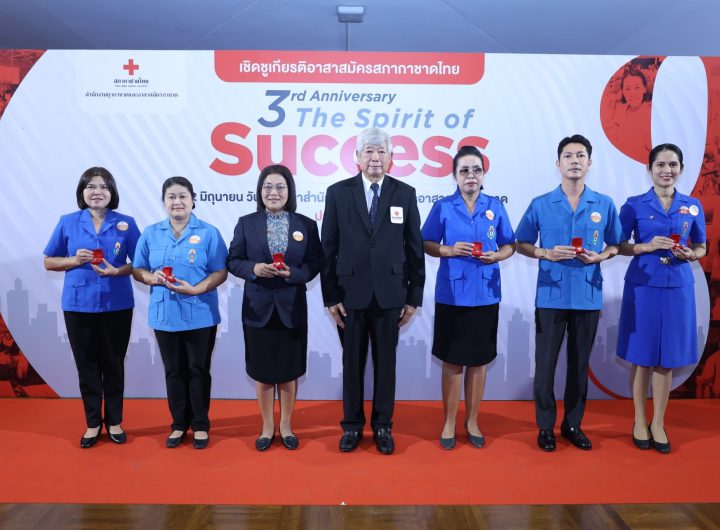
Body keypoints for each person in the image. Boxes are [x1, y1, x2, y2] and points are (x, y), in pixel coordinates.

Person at [321, 127, 425, 455]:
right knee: (352, 364)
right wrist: (331, 297)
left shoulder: (405, 194)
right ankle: (352, 426)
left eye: (381, 151)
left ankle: (382, 426)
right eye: (369, 150)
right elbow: (328, 248)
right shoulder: (337, 193)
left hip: (391, 294)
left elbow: (414, 248)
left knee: (386, 365)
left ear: (391, 158)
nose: (375, 157)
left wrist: (413, 298)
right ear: (357, 157)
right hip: (349, 295)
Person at [516, 135, 622, 452]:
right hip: (551, 296)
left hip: (587, 296)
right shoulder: (541, 203)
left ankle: (573, 425)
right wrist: (545, 253)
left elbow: (616, 244)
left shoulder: (603, 204)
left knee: (578, 367)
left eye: (580, 155)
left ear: (589, 163)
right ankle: (545, 426)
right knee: (545, 366)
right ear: (558, 163)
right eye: (568, 155)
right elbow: (521, 243)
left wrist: (601, 256)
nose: (574, 160)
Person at [421, 145, 515, 450]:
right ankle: (449, 421)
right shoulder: (443, 207)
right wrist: (448, 250)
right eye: (464, 170)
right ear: (455, 175)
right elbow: (425, 242)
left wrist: (497, 255)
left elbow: (510, 244)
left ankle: (472, 421)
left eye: (476, 170)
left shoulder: (495, 206)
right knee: (452, 361)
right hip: (452, 295)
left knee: (479, 362)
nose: (470, 175)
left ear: (484, 174)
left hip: (486, 294)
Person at [616, 143, 707, 453]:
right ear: (650, 169)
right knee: (641, 358)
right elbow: (618, 245)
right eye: (660, 165)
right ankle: (639, 420)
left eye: (673, 165)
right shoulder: (634, 205)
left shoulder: (692, 205)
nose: (667, 170)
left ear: (681, 169)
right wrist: (646, 246)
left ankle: (658, 422)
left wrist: (692, 254)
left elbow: (701, 246)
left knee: (666, 360)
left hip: (678, 288)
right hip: (643, 287)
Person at [226, 164, 322, 451]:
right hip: (258, 308)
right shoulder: (246, 223)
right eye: (267, 187)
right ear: (260, 191)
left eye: (280, 187)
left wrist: (294, 274)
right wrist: (254, 269)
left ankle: (286, 426)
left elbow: (315, 263)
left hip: (292, 309)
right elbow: (233, 261)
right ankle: (268, 426)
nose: (273, 192)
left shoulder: (306, 224)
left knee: (290, 371)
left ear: (289, 191)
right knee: (263, 372)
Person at [43, 167, 140, 448]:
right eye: (91, 186)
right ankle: (93, 423)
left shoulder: (126, 223)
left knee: (113, 364)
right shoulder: (68, 222)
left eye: (103, 187)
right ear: (82, 192)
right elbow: (49, 261)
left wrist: (117, 270)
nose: (97, 192)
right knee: (86, 366)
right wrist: (74, 260)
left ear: (112, 192)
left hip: (117, 304)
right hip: (78, 305)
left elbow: (141, 263)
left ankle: (115, 421)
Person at [132, 176, 228, 450]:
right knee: (173, 371)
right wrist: (150, 278)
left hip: (201, 314)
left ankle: (200, 424)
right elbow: (138, 268)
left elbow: (221, 271)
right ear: (164, 202)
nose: (177, 201)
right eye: (171, 197)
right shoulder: (151, 233)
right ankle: (178, 424)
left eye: (183, 196)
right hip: (165, 315)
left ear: (193, 200)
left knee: (198, 370)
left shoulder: (209, 233)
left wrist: (197, 289)